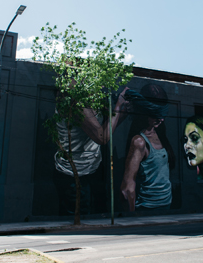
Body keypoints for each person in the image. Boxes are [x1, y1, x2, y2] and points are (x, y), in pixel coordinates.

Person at [52, 87, 130, 215]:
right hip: (74, 173)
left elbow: (107, 128)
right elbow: (102, 137)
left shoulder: (94, 99)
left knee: (99, 213)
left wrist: (123, 111)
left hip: (93, 169)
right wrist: (118, 106)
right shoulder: (73, 99)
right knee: (79, 216)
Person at [121, 84, 174, 211]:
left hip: (167, 204)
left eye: (162, 114)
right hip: (148, 207)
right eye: (155, 114)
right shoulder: (139, 142)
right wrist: (133, 217)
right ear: (145, 112)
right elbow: (128, 187)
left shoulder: (160, 133)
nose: (161, 119)